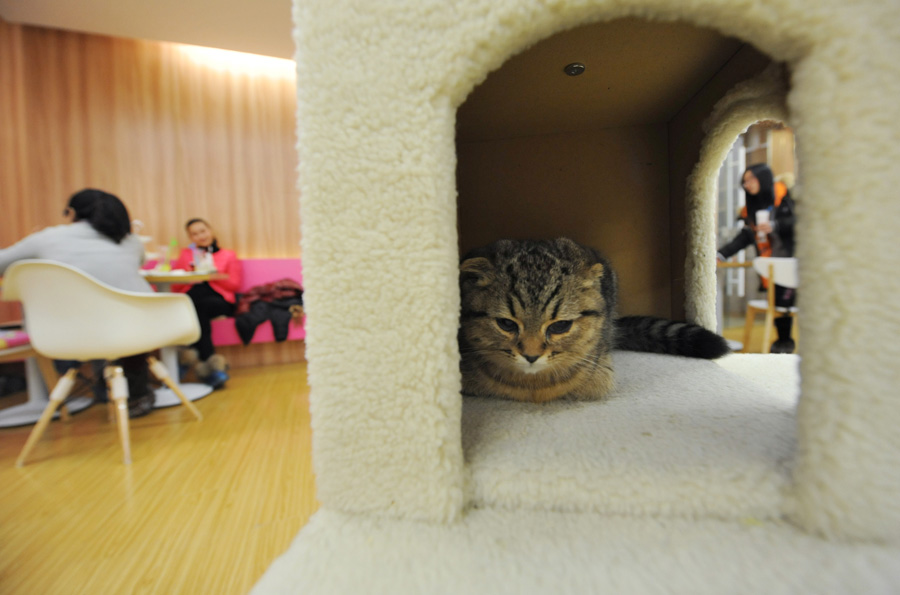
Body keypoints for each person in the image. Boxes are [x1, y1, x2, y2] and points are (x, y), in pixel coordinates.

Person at [0, 189, 158, 416]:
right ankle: (134, 394)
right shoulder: (131, 241)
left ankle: (80, 390)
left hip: (66, 333)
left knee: (82, 316)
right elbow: (137, 264)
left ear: (72, 212)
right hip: (140, 330)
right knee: (113, 317)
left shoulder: (46, 238)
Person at [717, 163, 797, 353]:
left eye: (750, 179)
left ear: (763, 178)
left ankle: (785, 343)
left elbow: (800, 221)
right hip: (773, 265)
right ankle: (783, 343)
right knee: (778, 303)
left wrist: (775, 225)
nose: (747, 185)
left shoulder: (787, 197)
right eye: (744, 181)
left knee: (785, 303)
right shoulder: (750, 210)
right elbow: (745, 237)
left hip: (795, 262)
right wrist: (721, 254)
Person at [170, 218, 242, 389]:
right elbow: (176, 284)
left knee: (196, 302)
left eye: (203, 231)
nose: (200, 236)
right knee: (197, 302)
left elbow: (235, 284)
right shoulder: (186, 255)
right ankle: (211, 365)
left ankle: (190, 356)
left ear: (211, 231)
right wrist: (192, 273)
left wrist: (211, 275)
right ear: (190, 237)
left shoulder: (227, 255)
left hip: (221, 301)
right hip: (195, 301)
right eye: (194, 234)